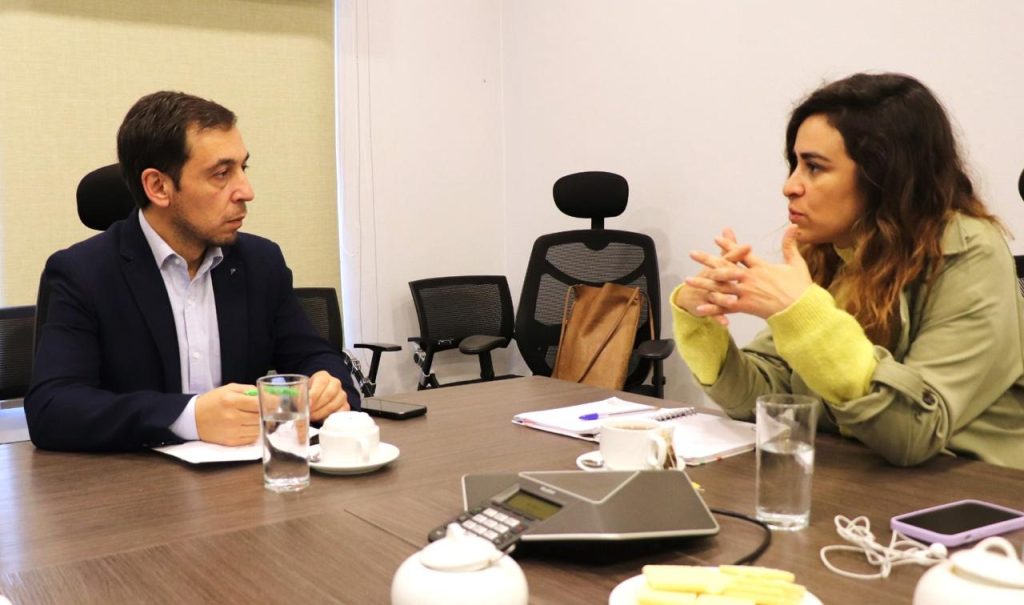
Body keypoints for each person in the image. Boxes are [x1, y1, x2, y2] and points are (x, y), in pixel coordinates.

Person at [672, 73, 1024, 470]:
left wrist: (804, 318)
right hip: (865, 476)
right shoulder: (835, 250)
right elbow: (767, 400)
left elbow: (914, 432)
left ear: (881, 176)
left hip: (973, 488)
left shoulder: (970, 252)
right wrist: (702, 323)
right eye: (794, 164)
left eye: (814, 167)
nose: (790, 186)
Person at [26, 91, 359, 452]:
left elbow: (313, 356)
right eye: (221, 174)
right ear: (159, 187)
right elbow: (52, 407)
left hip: (248, 477)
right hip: (136, 481)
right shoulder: (83, 273)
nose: (246, 191)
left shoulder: (260, 262)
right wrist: (191, 417)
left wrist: (327, 386)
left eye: (243, 169)